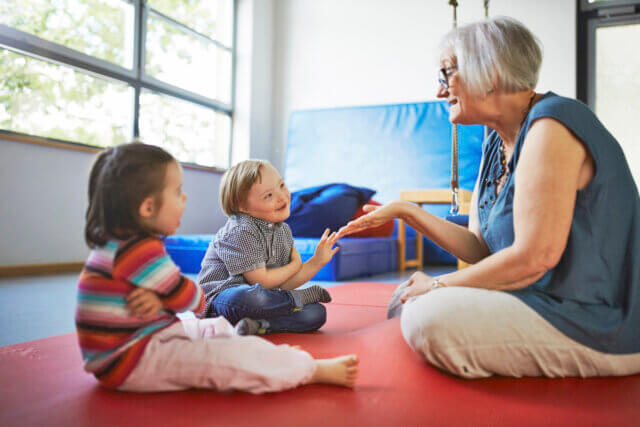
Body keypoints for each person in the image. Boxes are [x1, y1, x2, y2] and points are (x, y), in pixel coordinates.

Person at [339, 16, 640, 379]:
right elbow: (480, 248)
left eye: (446, 74)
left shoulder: (553, 125)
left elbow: (535, 257)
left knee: (425, 314)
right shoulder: (495, 140)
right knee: (404, 298)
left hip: (596, 319)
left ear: (491, 72)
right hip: (536, 300)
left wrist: (438, 285)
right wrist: (406, 212)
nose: (440, 91)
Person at [76, 143, 358, 393]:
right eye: (177, 192)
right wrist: (171, 297)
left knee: (313, 314)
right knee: (232, 357)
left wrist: (314, 263)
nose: (184, 199)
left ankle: (255, 327)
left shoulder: (116, 248)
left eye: (282, 186)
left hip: (136, 345)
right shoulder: (141, 251)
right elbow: (192, 299)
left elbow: (280, 282)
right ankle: (309, 370)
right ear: (148, 208)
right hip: (135, 357)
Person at [197, 160, 339, 335]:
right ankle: (297, 299)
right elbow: (261, 282)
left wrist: (317, 261)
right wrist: (295, 266)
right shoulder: (241, 230)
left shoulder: (282, 230)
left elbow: (284, 284)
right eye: (268, 195)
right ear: (243, 206)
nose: (282, 196)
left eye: (281, 185)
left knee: (316, 313)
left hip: (262, 302)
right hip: (221, 301)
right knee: (253, 297)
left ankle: (259, 325)